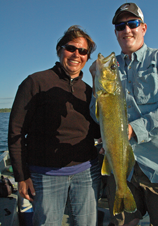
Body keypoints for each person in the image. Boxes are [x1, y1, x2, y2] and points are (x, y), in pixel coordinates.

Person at [89, 3, 158, 226]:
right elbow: (97, 116)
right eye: (120, 26)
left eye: (132, 23)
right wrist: (95, 80)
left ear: (143, 28)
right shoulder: (110, 68)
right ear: (116, 32)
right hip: (122, 171)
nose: (126, 30)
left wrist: (133, 129)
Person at [8, 25, 102, 226]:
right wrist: (21, 176)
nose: (77, 54)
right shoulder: (35, 82)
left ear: (87, 58)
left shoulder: (89, 91)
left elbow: (95, 131)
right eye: (71, 48)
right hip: (45, 176)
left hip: (86, 173)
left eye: (83, 51)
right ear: (60, 50)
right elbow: (16, 131)